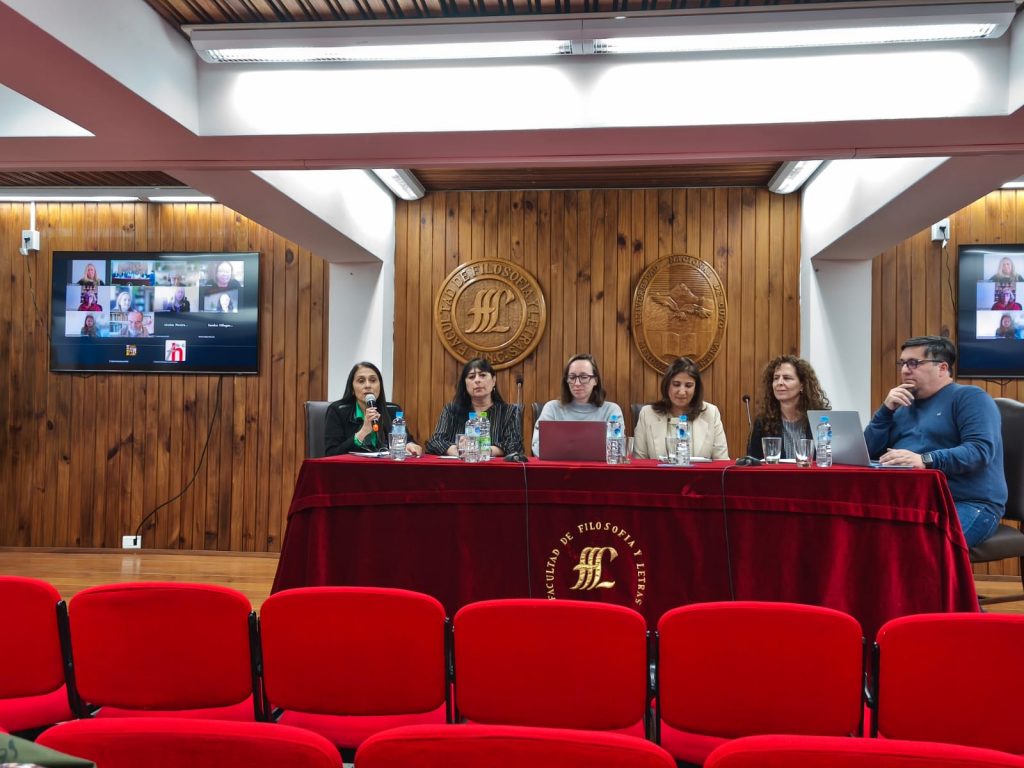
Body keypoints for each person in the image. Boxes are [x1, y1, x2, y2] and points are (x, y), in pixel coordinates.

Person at [864, 336, 1005, 546]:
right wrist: (885, 411)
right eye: (903, 363)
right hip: (911, 501)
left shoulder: (970, 398)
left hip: (967, 503)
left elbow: (979, 451)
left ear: (942, 368)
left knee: (922, 548)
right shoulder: (901, 406)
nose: (905, 370)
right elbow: (867, 452)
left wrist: (925, 460)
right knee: (865, 538)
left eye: (914, 363)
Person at [634, 357, 729, 460]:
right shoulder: (647, 414)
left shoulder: (711, 413)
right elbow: (639, 462)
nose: (682, 392)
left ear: (696, 389)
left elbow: (722, 461)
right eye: (676, 384)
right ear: (667, 385)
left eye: (688, 386)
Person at [427, 358, 523, 457]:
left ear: (493, 381)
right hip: (458, 465)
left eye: (482, 375)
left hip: (492, 466)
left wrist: (485, 450)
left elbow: (515, 446)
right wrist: (455, 450)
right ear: (465, 384)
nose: (477, 380)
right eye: (471, 377)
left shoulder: (509, 412)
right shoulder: (451, 410)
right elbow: (435, 442)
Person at [532, 353, 623, 457]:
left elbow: (617, 450)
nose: (577, 383)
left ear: (595, 380)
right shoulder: (552, 408)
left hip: (598, 467)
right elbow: (538, 448)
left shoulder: (612, 411)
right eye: (572, 377)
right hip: (560, 466)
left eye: (584, 377)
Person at [325, 362, 423, 457]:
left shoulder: (392, 410)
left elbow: (407, 440)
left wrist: (410, 445)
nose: (368, 385)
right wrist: (363, 432)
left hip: (385, 466)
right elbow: (331, 454)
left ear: (380, 386)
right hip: (351, 467)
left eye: (373, 380)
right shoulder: (337, 411)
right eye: (361, 381)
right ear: (352, 388)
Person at [747, 355, 830, 460]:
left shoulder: (821, 420)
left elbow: (830, 459)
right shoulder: (763, 422)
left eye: (787, 378)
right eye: (776, 378)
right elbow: (753, 462)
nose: (779, 383)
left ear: (802, 385)